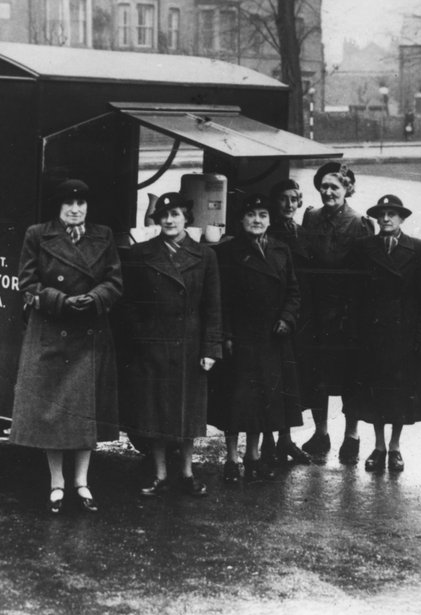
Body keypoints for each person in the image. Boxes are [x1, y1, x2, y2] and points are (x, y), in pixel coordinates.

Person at [10, 179, 122, 513]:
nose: (75, 210)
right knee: (53, 413)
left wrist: (93, 299)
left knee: (84, 412)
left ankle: (82, 483)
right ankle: (56, 483)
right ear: (58, 209)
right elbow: (27, 284)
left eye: (81, 204)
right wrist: (60, 301)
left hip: (89, 332)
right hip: (51, 329)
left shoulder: (104, 236)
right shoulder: (37, 235)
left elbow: (115, 282)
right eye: (68, 205)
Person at [122, 192, 222, 497]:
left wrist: (210, 349)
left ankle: (188, 474)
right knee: (156, 412)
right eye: (164, 215)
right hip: (153, 345)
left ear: (186, 219)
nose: (169, 220)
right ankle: (161, 475)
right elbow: (130, 304)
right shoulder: (142, 254)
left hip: (190, 345)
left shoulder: (205, 255)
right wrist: (141, 339)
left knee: (188, 413)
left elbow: (213, 307)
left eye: (176, 214)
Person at [209, 193, 302, 483]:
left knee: (263, 399)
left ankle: (253, 456)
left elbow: (294, 292)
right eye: (251, 215)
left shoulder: (281, 249)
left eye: (262, 215)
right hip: (239, 338)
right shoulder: (226, 253)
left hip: (272, 337)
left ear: (270, 220)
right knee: (235, 401)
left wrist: (287, 317)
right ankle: (231, 459)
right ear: (241, 220)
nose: (257, 220)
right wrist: (225, 334)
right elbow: (219, 299)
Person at [347, 195, 421, 473]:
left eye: (392, 214)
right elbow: (354, 294)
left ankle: (395, 447)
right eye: (381, 214)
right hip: (372, 334)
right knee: (375, 394)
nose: (386, 218)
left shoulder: (419, 249)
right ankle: (379, 446)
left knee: (399, 394)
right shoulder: (363, 247)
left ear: (402, 218)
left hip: (404, 334)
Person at [299, 162, 374, 464]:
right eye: (324, 186)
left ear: (347, 190)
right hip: (316, 310)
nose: (328, 192)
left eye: (335, 187)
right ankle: (321, 433)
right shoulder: (310, 217)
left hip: (347, 314)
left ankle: (351, 435)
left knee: (349, 376)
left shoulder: (360, 223)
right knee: (317, 375)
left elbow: (366, 274)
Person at [260, 179, 314, 467]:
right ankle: (270, 441)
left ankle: (285, 439)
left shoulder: (303, 232)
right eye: (283, 199)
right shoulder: (270, 233)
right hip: (275, 317)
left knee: (291, 381)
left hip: (298, 317)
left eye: (294, 199)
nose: (289, 205)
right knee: (272, 380)